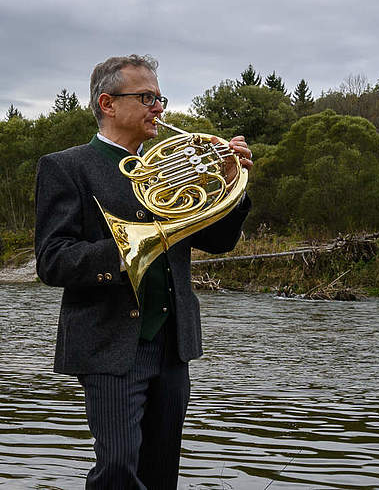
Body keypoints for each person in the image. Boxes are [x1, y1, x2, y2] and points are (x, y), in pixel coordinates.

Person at [34, 54, 253, 488]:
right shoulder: (66, 166)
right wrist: (126, 251)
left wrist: (232, 183)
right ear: (109, 103)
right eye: (147, 97)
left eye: (160, 97)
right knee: (118, 467)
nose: (160, 108)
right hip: (109, 343)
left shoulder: (177, 168)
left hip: (173, 343)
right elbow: (52, 259)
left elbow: (218, 240)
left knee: (160, 472)